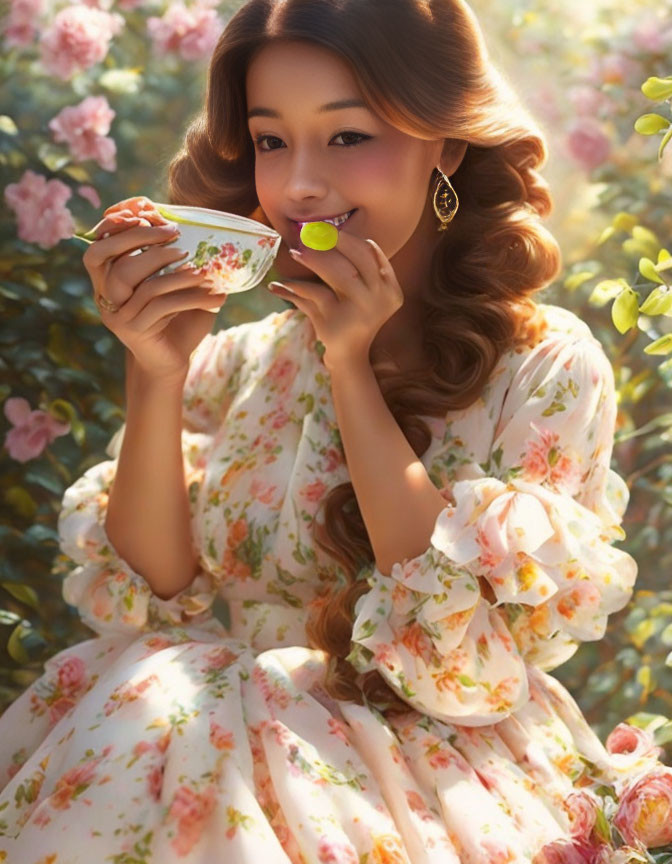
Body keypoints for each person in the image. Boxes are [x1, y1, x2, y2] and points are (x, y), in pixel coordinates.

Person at [1, 0, 669, 861]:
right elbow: (151, 595)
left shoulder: (544, 364)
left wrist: (351, 366)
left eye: (348, 137)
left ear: (447, 144)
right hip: (179, 727)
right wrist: (156, 372)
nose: (300, 186)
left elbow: (455, 672)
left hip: (413, 767)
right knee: (151, 705)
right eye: (272, 141)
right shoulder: (241, 356)